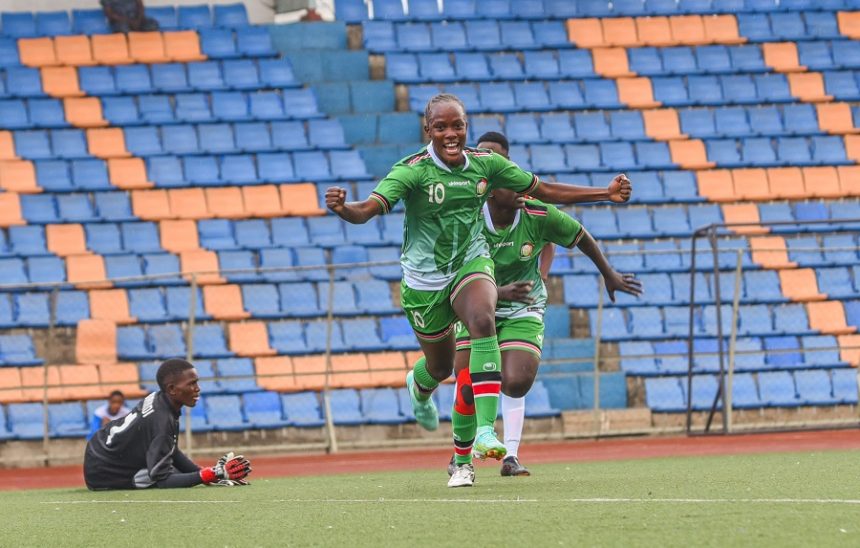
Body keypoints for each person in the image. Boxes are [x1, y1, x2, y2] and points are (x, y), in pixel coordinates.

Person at [325, 93, 631, 484]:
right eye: (441, 127)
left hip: (469, 265)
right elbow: (367, 210)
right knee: (440, 367)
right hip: (424, 283)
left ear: (466, 127)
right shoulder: (412, 171)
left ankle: (482, 436)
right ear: (428, 130)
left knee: (482, 319)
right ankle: (419, 386)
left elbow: (543, 189)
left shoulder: (486, 165)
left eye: (457, 125)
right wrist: (344, 208)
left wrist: (604, 193)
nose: (450, 134)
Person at [442, 133, 642, 485]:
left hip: (522, 305)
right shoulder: (467, 214)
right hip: (477, 305)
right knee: (466, 382)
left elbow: (576, 234)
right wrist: (494, 291)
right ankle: (462, 457)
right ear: (489, 187)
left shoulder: (535, 212)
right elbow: (450, 271)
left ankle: (508, 452)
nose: (518, 185)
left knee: (515, 381)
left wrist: (608, 273)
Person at [83, 358, 251, 490]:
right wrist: (211, 474)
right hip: (103, 473)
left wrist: (204, 473)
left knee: (180, 473)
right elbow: (163, 480)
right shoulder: (162, 420)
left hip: (101, 454)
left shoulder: (158, 398)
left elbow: (171, 451)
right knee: (167, 476)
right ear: (172, 389)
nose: (197, 388)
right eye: (191, 383)